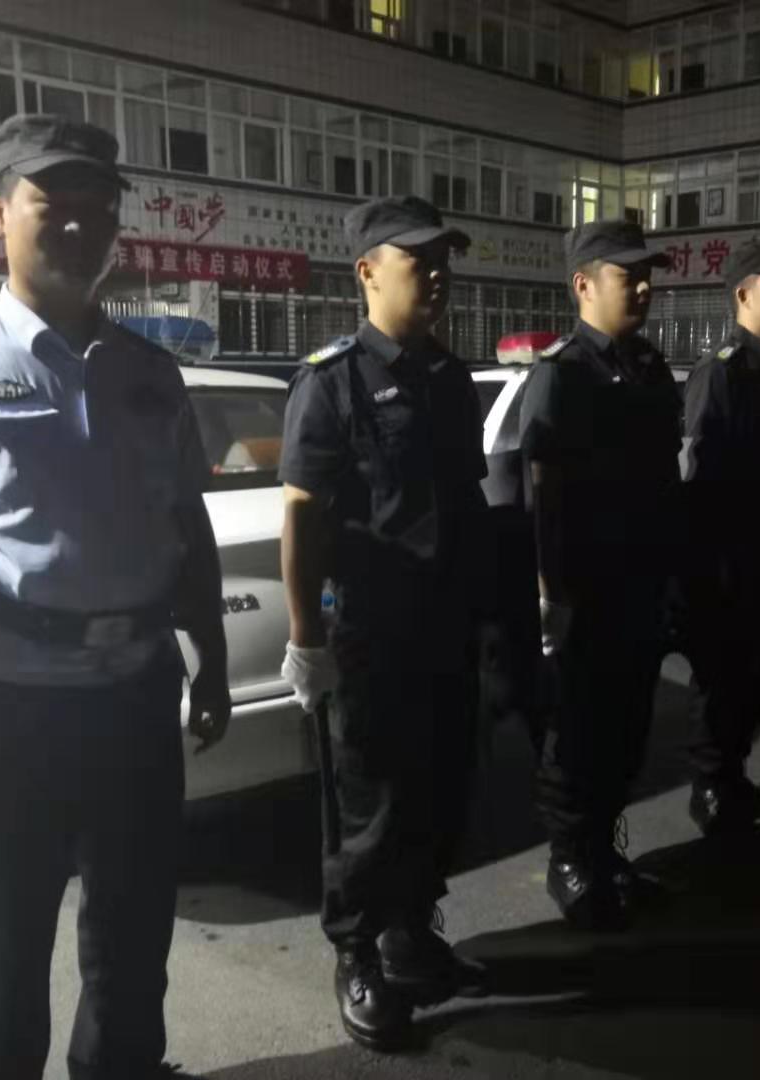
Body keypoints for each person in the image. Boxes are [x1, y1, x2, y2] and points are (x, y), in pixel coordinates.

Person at [0, 114, 230, 1080]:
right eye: (49, 202)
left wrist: (213, 666)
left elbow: (184, 528)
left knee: (132, 954)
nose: (75, 224)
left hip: (135, 705)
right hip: (5, 712)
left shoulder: (151, 375)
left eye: (97, 207)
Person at [278, 195, 490, 1051]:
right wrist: (306, 639)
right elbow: (302, 516)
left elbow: (465, 505)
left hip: (445, 630)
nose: (437, 275)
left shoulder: (451, 379)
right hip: (371, 634)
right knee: (369, 808)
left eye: (444, 260)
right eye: (418, 260)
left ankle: (410, 933)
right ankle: (358, 953)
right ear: (367, 271)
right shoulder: (331, 380)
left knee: (440, 794)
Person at [519, 220, 682, 931]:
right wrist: (551, 594)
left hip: (640, 585)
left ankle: (607, 851)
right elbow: (545, 498)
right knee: (578, 732)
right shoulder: (562, 373)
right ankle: (572, 862)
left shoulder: (650, 368)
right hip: (585, 590)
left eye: (647, 276)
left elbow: (665, 483)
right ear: (584, 284)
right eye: (627, 275)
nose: (643, 287)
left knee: (628, 728)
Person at [682, 238, 760, 836]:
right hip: (731, 563)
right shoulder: (721, 372)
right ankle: (711, 786)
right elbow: (698, 477)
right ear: (742, 294)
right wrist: (706, 571)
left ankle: (732, 774)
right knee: (724, 681)